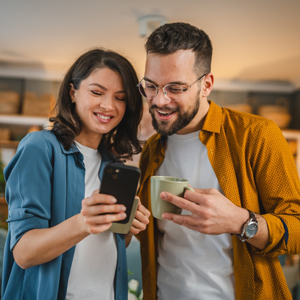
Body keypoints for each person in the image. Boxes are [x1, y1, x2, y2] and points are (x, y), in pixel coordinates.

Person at [136, 22, 300, 300]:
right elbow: (159, 236)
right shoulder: (152, 149)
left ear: (206, 85)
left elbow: (296, 229)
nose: (159, 100)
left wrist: (241, 222)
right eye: (151, 86)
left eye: (175, 88)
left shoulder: (256, 135)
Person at [2, 48, 150, 300]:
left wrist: (127, 230)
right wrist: (83, 222)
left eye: (120, 97)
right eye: (96, 92)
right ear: (73, 92)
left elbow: (105, 248)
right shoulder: (40, 147)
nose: (108, 105)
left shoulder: (114, 164)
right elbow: (24, 253)